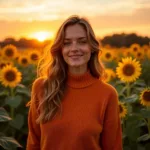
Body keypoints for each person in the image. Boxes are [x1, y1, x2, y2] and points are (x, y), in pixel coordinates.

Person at [26, 15, 122, 150]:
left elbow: (113, 147)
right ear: (60, 49)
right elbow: (33, 143)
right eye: (66, 43)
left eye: (82, 42)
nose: (74, 48)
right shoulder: (42, 87)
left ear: (92, 47)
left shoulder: (107, 94)